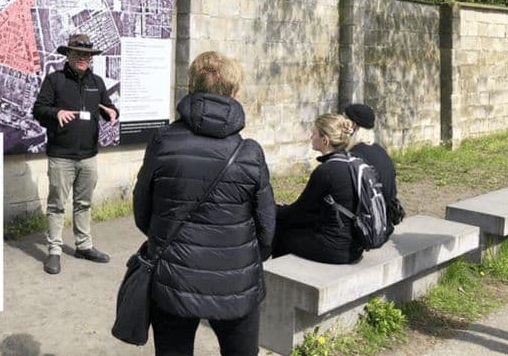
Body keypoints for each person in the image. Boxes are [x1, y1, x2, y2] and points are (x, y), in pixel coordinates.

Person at [132, 51, 276, 356]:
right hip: (236, 281)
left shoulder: (162, 141)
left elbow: (142, 211)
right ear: (235, 92)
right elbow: (266, 227)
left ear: (191, 88)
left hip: (174, 276)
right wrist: (244, 259)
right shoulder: (250, 152)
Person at [32, 34, 119, 275]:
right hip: (61, 155)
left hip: (89, 156)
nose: (83, 59)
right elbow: (38, 109)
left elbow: (108, 107)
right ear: (68, 55)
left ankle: (84, 246)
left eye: (87, 55)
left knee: (84, 203)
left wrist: (112, 113)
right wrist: (56, 113)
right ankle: (54, 252)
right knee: (57, 205)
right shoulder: (54, 80)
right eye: (78, 54)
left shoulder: (97, 82)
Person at [274, 113, 363, 264]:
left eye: (314, 133)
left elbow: (299, 211)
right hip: (356, 244)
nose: (311, 137)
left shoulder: (326, 171)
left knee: (281, 232)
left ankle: (279, 283)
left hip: (336, 248)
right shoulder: (353, 163)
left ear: (325, 140)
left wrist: (275, 210)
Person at [344, 103, 398, 206]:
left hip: (370, 216)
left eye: (345, 122)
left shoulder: (354, 156)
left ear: (353, 126)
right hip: (385, 213)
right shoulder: (379, 150)